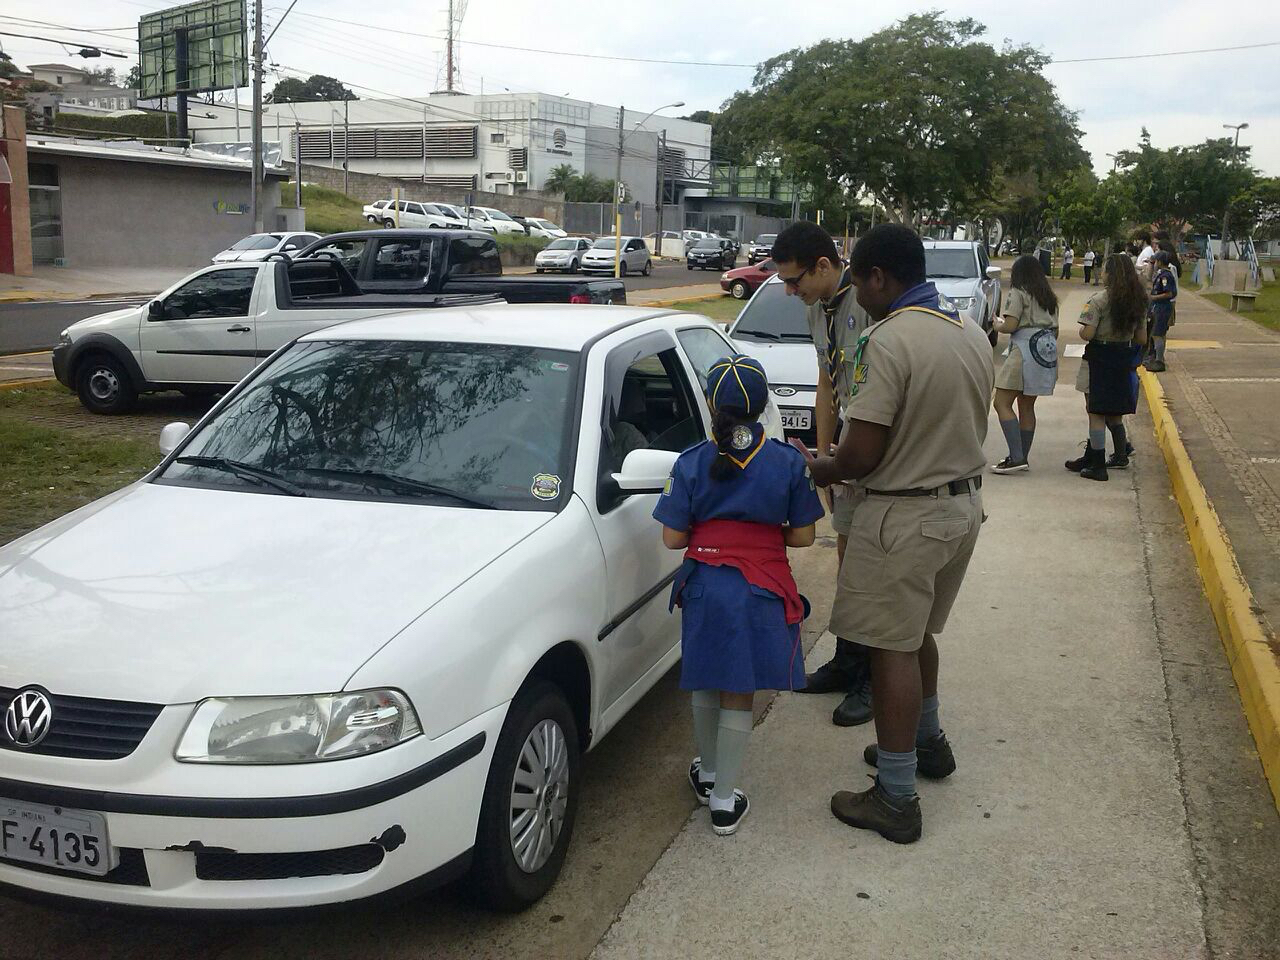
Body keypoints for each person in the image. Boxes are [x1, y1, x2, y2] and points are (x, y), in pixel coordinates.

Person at [793, 224, 994, 844]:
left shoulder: (888, 340)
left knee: (891, 649)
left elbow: (861, 456)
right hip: (960, 509)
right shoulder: (968, 333)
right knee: (917, 634)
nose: (857, 290)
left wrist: (818, 465)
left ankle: (897, 797)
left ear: (879, 278)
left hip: (905, 516)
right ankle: (925, 744)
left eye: (859, 279)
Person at [654, 354, 824, 836]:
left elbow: (672, 538)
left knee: (705, 677)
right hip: (761, 587)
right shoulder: (789, 462)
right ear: (765, 403)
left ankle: (707, 774)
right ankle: (724, 802)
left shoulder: (690, 462)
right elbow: (805, 537)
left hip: (706, 584)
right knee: (740, 689)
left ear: (711, 404)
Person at [771, 221, 877, 727]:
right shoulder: (820, 311)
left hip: (878, 455)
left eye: (796, 282)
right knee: (846, 562)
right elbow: (827, 382)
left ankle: (872, 677)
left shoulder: (869, 305)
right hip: (846, 457)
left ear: (825, 265)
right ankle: (847, 659)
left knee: (870, 569)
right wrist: (824, 455)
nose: (792, 293)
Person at [1066, 253, 1149, 480]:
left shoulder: (1098, 300)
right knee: (1114, 412)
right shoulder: (1138, 301)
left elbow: (1088, 333)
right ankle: (1119, 455)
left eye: (1103, 269)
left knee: (1095, 412)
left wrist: (1083, 330)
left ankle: (1097, 464)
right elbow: (1142, 338)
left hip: (1098, 358)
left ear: (1110, 274)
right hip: (1122, 358)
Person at [990, 255, 1059, 473]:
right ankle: (1022, 456)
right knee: (1027, 405)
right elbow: (1055, 330)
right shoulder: (1049, 298)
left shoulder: (1018, 293)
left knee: (1001, 402)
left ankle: (1016, 457)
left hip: (1023, 349)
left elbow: (1011, 325)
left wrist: (997, 325)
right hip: (1044, 351)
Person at [1144, 250, 1177, 373]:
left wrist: (1153, 297)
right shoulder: (1161, 274)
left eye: (1156, 261)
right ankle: (1158, 358)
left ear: (1160, 262)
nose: (1154, 263)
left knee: (1157, 334)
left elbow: (1168, 293)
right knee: (1157, 333)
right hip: (1158, 307)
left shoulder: (1165, 276)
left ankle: (1159, 361)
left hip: (1162, 308)